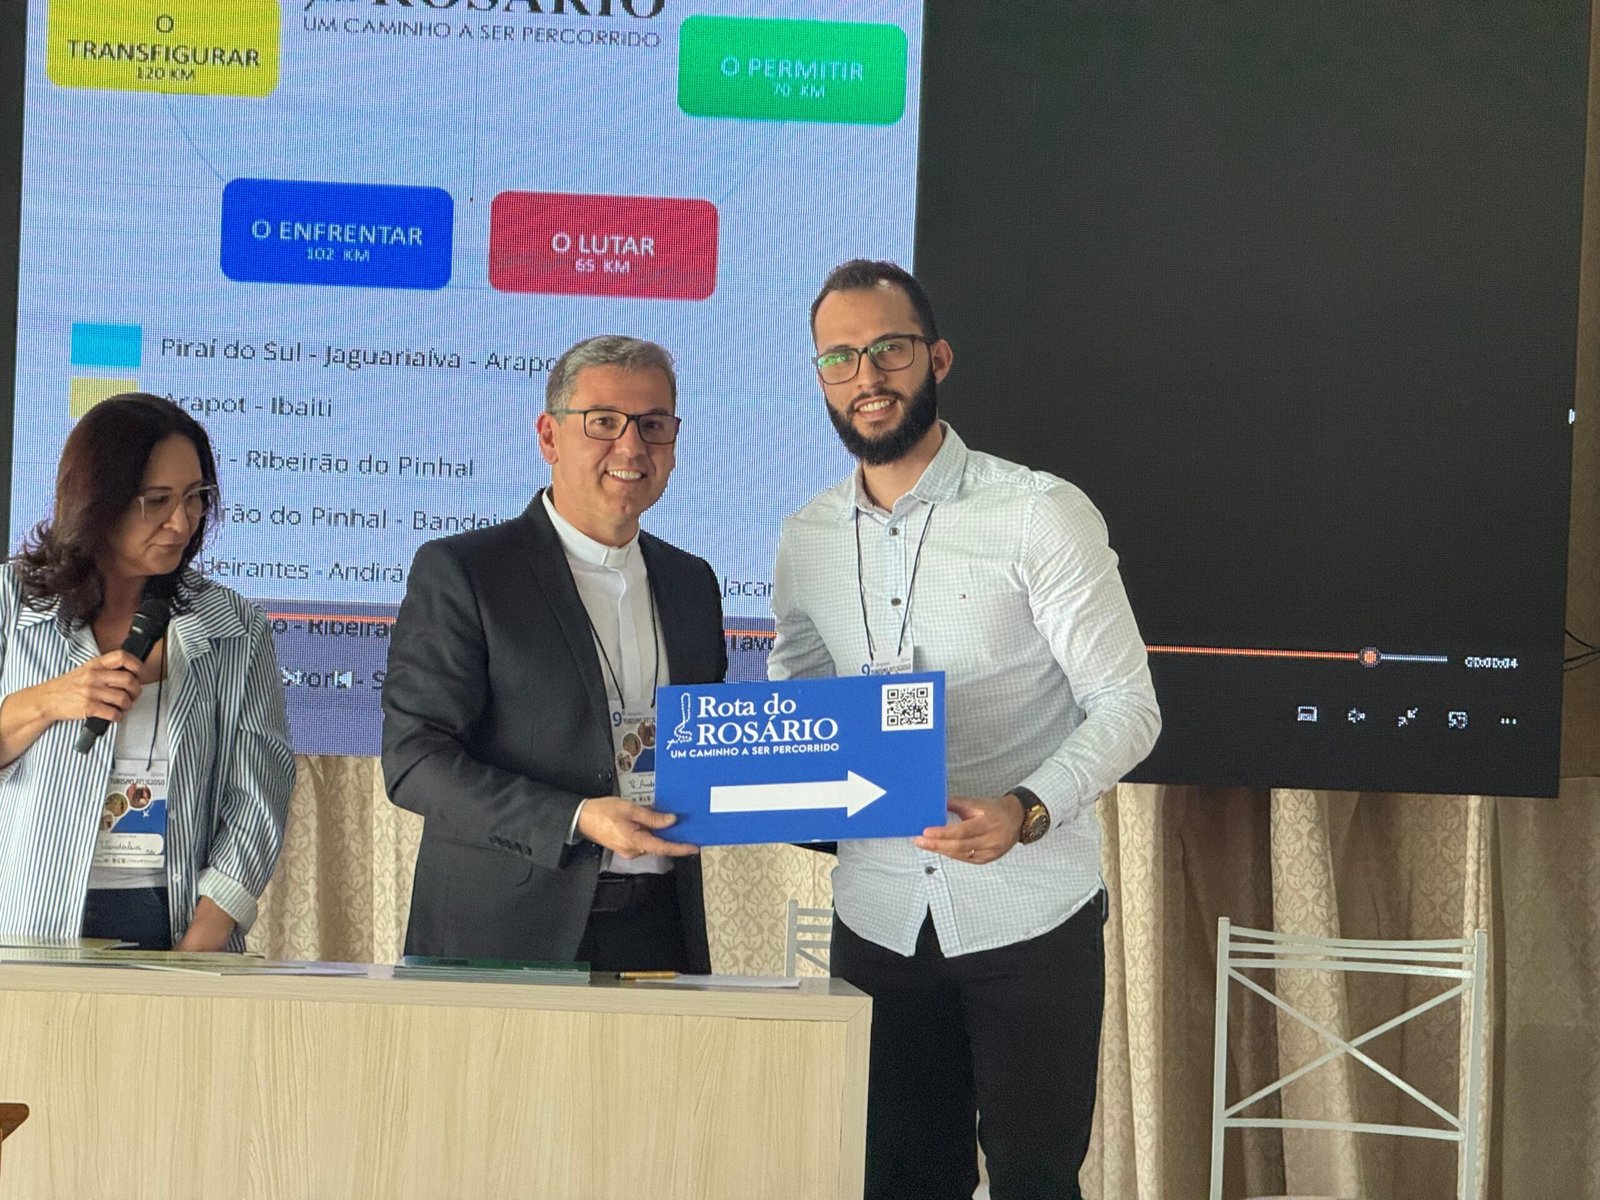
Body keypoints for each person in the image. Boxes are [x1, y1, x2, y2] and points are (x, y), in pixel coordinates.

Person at [769, 261, 1162, 1200]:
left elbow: (1128, 704)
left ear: (936, 358)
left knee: (1035, 1181)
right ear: (820, 379)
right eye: (839, 358)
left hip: (1030, 914)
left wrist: (1027, 808)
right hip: (877, 920)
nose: (867, 376)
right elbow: (802, 703)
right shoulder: (804, 538)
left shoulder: (1038, 514)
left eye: (889, 349)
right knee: (898, 1180)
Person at [383, 335, 725, 971]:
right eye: (604, 422)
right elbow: (414, 762)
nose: (632, 446)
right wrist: (577, 817)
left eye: (653, 425)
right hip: (503, 935)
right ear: (549, 436)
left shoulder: (692, 583)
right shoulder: (466, 571)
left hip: (660, 932)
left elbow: (716, 745)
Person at [0, 393, 295, 951]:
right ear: (98, 501)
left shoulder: (235, 626)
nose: (181, 521)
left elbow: (259, 797)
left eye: (195, 497)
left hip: (179, 921)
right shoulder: (10, 604)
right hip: (32, 918)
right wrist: (48, 701)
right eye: (156, 501)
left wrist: (198, 947)